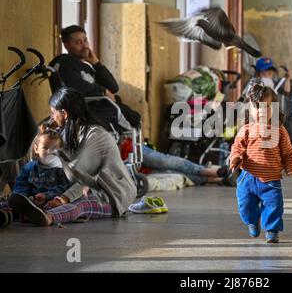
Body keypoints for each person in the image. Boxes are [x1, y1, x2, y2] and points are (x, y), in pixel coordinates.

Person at [51, 25, 227, 185]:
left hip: (118, 124)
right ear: (66, 45)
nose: (84, 46)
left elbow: (113, 86)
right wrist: (103, 92)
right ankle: (214, 172)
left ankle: (215, 176)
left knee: (160, 165)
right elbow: (79, 89)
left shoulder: (87, 65)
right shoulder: (64, 64)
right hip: (106, 123)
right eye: (77, 42)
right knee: (162, 162)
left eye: (85, 40)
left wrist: (96, 62)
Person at [8, 88, 137, 226]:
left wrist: (62, 199)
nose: (51, 118)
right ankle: (8, 213)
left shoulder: (96, 136)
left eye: (53, 113)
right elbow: (39, 157)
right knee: (34, 199)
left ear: (64, 114)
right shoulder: (67, 133)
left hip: (110, 195)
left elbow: (84, 180)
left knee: (80, 205)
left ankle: (48, 217)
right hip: (81, 189)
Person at [229, 84, 292, 244]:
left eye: (266, 107)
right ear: (250, 108)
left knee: (274, 206)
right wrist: (236, 158)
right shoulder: (246, 129)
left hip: (271, 180)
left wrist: (291, 167)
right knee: (245, 206)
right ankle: (252, 221)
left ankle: (272, 231)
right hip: (247, 178)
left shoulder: (280, 131)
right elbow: (237, 146)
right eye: (257, 107)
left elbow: (288, 152)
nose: (261, 111)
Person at [12, 124, 72, 209]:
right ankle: (11, 211)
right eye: (45, 148)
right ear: (36, 149)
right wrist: (21, 197)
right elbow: (22, 184)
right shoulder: (29, 167)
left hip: (51, 200)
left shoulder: (62, 170)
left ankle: (39, 214)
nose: (49, 152)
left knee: (61, 207)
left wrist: (46, 195)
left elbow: (63, 187)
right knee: (10, 202)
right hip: (31, 200)